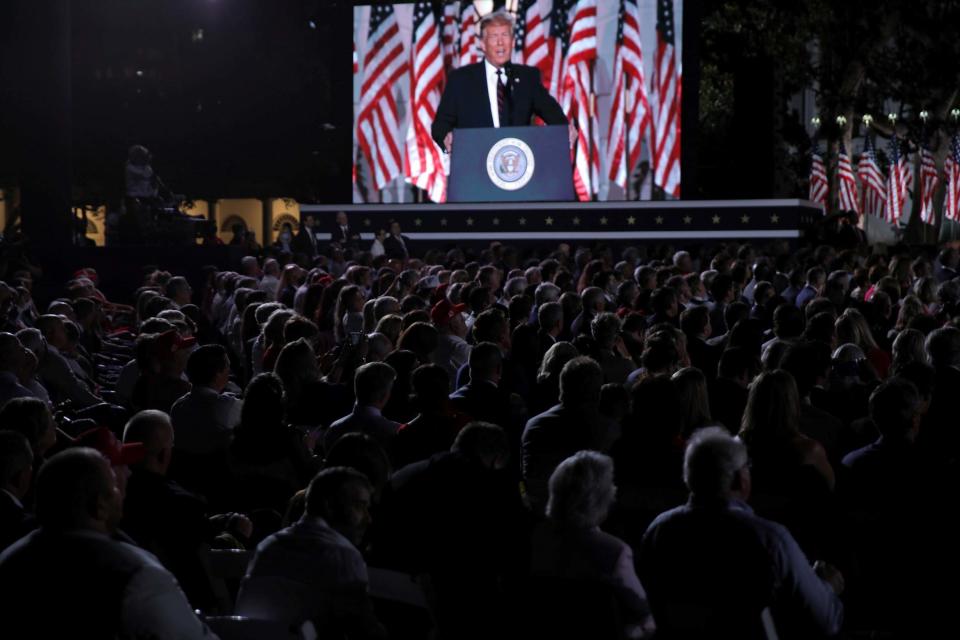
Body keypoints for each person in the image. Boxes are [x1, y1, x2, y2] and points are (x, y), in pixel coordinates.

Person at [638, 427, 844, 638]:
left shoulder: (658, 530)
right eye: (748, 467)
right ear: (739, 479)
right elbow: (826, 620)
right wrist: (826, 587)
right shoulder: (770, 539)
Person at [0, 448, 216, 639]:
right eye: (114, 488)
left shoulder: (8, 561)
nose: (121, 495)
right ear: (99, 505)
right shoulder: (138, 576)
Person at [236, 467, 384, 638]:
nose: (368, 518)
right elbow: (366, 632)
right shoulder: (342, 554)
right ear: (329, 505)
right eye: (360, 505)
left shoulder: (267, 546)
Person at [531, 451, 656, 639]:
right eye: (610, 486)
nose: (614, 490)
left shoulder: (532, 537)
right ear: (598, 498)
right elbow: (643, 612)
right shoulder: (614, 551)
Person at [431, 11, 571, 154]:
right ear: (483, 45)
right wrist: (446, 137)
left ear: (513, 42)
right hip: (475, 163)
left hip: (517, 166)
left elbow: (554, 115)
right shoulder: (460, 80)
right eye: (493, 36)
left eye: (505, 35)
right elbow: (440, 125)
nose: (500, 42)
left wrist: (566, 128)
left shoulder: (527, 78)